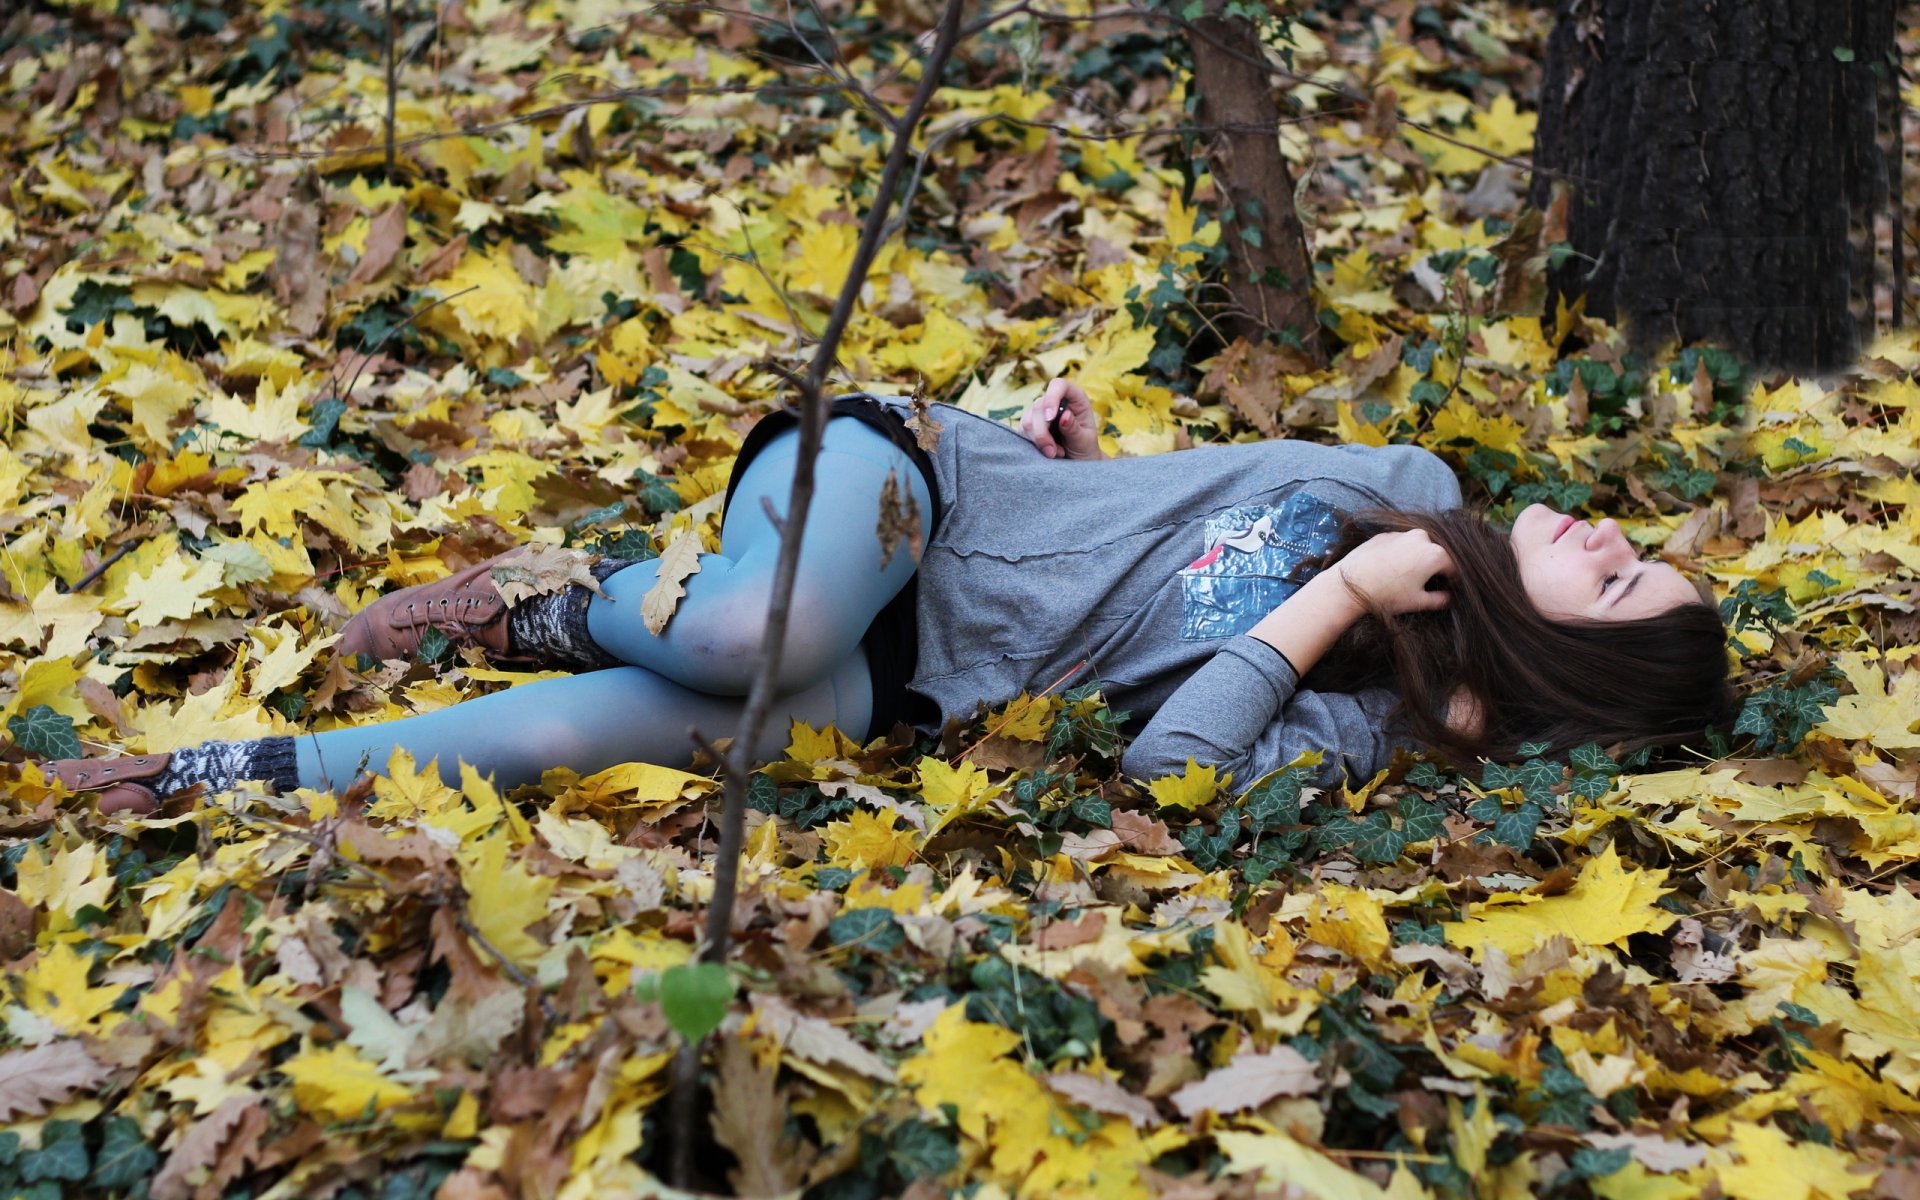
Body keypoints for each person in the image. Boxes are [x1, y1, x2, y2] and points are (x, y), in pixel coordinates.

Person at [35, 381, 1737, 815]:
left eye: (1630, 577)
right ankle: (548, 592)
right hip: (925, 489)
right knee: (744, 633)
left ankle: (209, 774)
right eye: (1633, 540)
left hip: (935, 669)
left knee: (626, 743)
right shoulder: (1427, 485)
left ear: (1582, 678)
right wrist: (1088, 454)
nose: (1605, 534)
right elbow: (1199, 498)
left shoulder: (1384, 721)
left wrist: (1334, 614)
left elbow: (1177, 773)